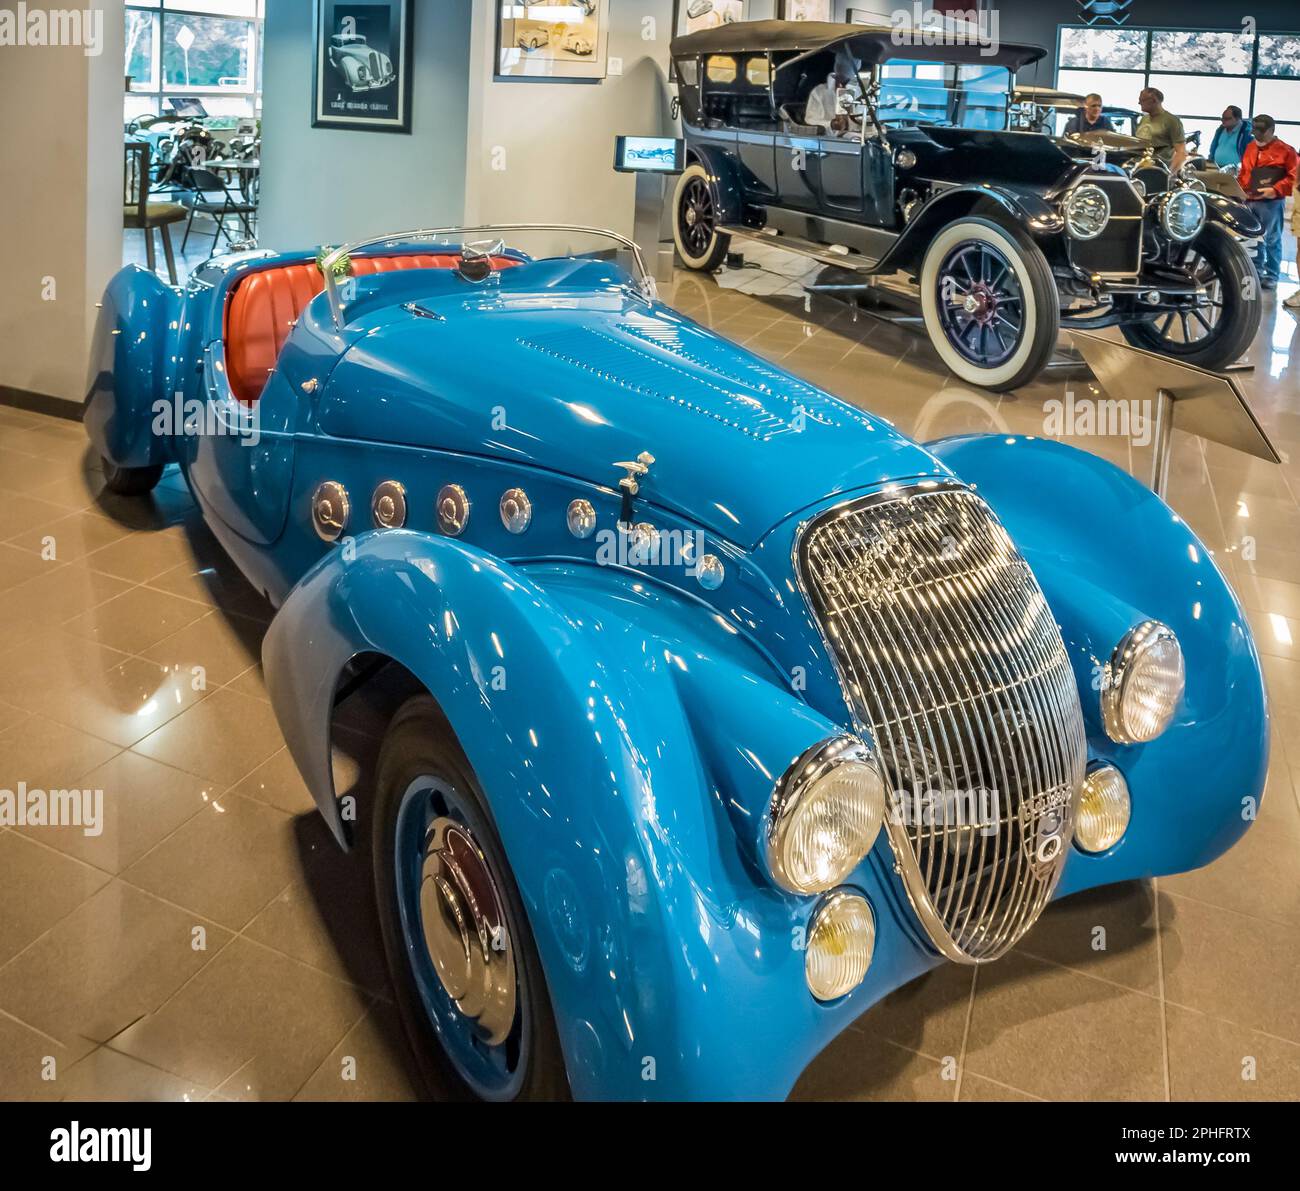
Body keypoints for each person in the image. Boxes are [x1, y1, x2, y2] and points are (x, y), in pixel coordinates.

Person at [1238, 114, 1297, 291]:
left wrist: (1276, 190)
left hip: (1270, 203)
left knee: (1272, 239)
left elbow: (1294, 177)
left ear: (1271, 130)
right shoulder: (1250, 147)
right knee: (1252, 238)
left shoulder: (1286, 150)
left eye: (1261, 132)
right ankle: (1256, 271)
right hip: (1249, 199)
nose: (1257, 135)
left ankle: (1272, 275)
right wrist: (1239, 190)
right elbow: (1244, 172)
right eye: (1254, 131)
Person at [805, 46, 863, 136]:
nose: (842, 83)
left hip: (854, 138)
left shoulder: (858, 92)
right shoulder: (819, 92)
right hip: (825, 141)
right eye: (841, 80)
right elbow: (810, 120)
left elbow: (862, 118)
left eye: (846, 80)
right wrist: (831, 124)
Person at [1135, 87, 1186, 166]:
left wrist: (1170, 174)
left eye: (1142, 100)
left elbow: (1181, 152)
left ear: (1154, 100)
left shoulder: (1172, 121)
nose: (1139, 103)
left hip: (1158, 169)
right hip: (1139, 166)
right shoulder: (1144, 119)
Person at [1209, 105, 1253, 170]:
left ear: (1237, 118)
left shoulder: (1247, 133)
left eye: (1227, 119)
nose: (1223, 121)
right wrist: (1210, 161)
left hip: (1235, 171)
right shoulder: (1220, 130)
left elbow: (1250, 155)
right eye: (1222, 118)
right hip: (1217, 167)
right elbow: (1213, 147)